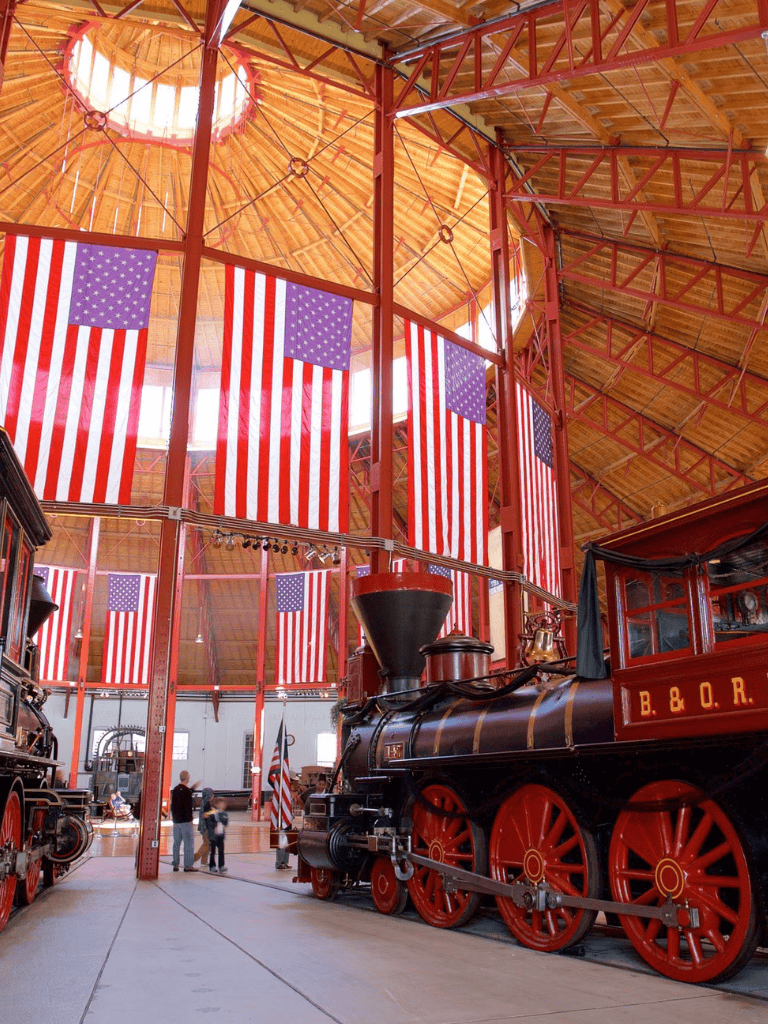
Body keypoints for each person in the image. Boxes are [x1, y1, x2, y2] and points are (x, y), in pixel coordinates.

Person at [170, 770, 201, 872]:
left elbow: (173, 806)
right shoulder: (187, 791)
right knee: (188, 844)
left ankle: (175, 864)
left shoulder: (175, 790)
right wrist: (190, 819)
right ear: (187, 778)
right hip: (185, 822)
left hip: (176, 821)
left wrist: (174, 819)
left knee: (176, 843)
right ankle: (188, 866)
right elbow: (188, 807)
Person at [204, 796, 229, 874]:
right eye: (221, 804)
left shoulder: (224, 813)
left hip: (221, 835)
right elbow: (205, 817)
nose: (223, 805)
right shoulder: (213, 812)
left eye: (224, 804)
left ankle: (221, 866)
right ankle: (212, 866)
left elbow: (226, 823)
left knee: (221, 851)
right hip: (213, 835)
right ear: (217, 804)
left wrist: (222, 819)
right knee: (213, 851)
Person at [194, 787, 214, 865]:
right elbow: (205, 815)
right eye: (212, 795)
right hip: (206, 827)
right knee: (206, 843)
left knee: (207, 844)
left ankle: (204, 860)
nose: (213, 797)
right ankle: (195, 857)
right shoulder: (206, 803)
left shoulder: (204, 802)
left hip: (205, 826)